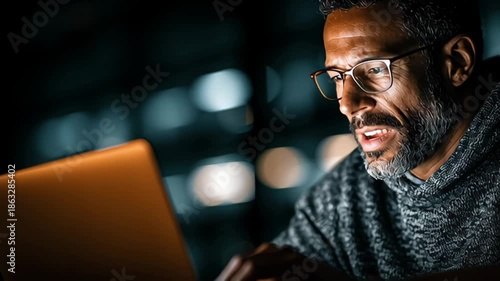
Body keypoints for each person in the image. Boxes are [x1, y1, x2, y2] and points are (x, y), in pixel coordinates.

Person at [216, 0, 500, 280]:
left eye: (375, 69)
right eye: (338, 77)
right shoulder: (339, 201)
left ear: (457, 62)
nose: (348, 104)